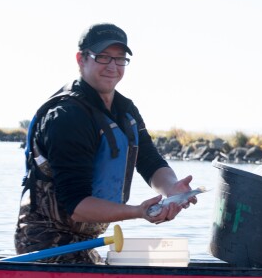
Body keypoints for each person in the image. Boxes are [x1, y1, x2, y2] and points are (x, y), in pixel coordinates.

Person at [15, 23, 197, 263]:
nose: (112, 67)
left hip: (87, 241)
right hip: (46, 243)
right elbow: (77, 205)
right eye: (103, 57)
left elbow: (149, 161)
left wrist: (172, 188)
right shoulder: (67, 117)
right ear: (81, 59)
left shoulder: (126, 110)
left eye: (120, 59)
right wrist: (139, 212)